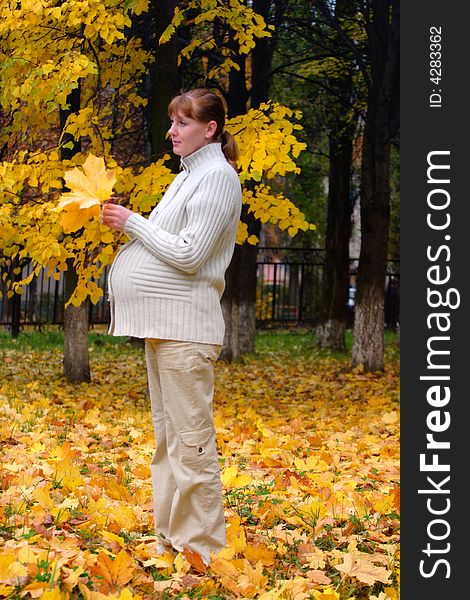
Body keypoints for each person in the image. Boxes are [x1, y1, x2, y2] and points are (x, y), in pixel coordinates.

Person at [102, 88, 242, 566]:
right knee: (169, 442)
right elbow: (167, 243)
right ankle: (171, 541)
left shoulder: (219, 178)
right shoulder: (187, 178)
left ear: (210, 129)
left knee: (192, 443)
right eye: (172, 122)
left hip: (187, 331)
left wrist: (132, 223)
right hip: (164, 327)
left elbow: (188, 254)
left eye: (182, 123)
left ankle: (203, 552)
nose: (171, 132)